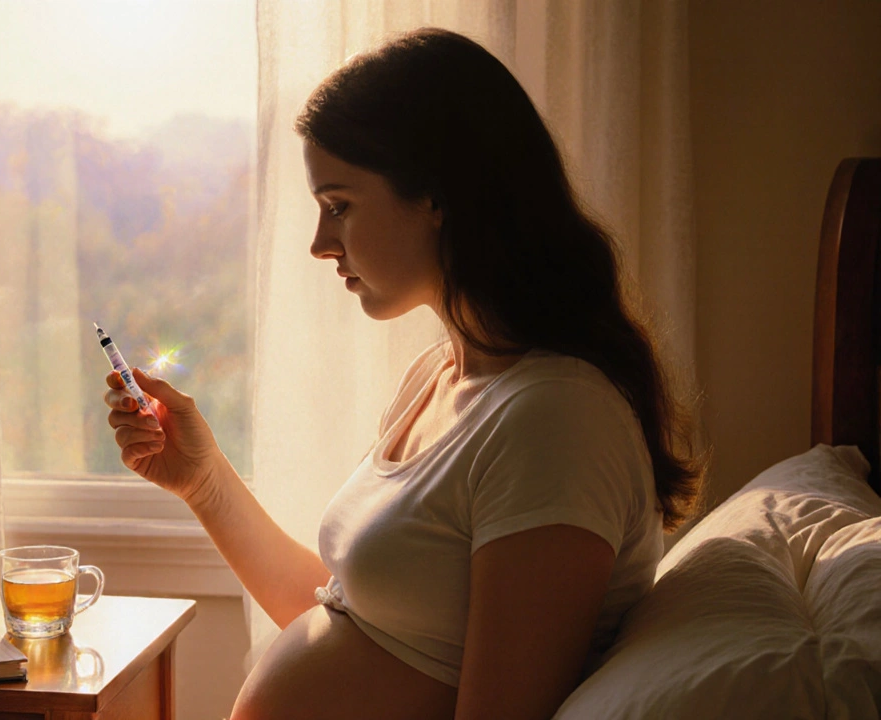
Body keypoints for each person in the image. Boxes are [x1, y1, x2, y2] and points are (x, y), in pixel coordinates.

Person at [102, 27, 706, 720]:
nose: (320, 244)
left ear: (438, 196)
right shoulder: (440, 376)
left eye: (340, 206)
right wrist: (204, 480)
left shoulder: (556, 422)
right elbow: (354, 619)